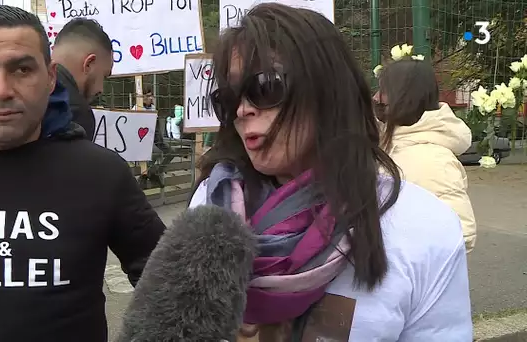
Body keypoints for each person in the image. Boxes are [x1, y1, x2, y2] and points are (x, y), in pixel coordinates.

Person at [189, 3, 472, 341]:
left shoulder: (424, 227)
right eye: (229, 97)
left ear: (327, 90)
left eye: (265, 86)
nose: (242, 108)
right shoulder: (211, 199)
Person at [0, 5, 165, 342]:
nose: (1, 89)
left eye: (21, 69)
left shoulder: (100, 173)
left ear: (50, 77)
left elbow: (172, 283)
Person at [373, 59, 477, 253]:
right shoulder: (389, 144)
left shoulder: (434, 160)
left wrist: (403, 262)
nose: (376, 97)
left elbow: (462, 233)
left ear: (405, 97)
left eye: (383, 91)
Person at [52, 17, 113, 140]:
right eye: (104, 76)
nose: (101, 89)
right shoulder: (74, 113)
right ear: (89, 64)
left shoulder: (26, 98)